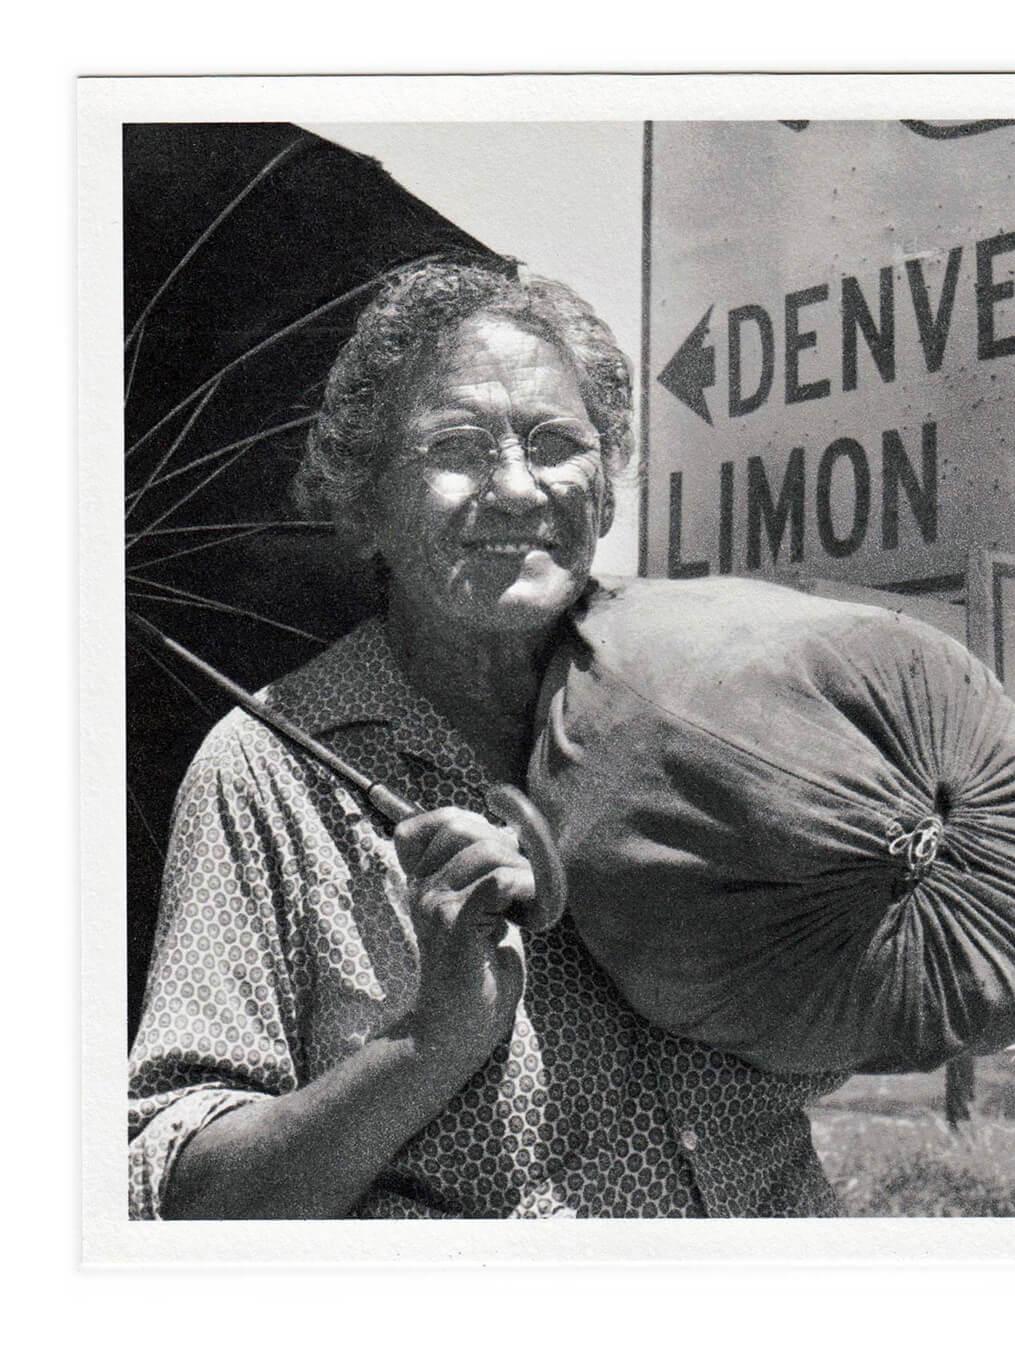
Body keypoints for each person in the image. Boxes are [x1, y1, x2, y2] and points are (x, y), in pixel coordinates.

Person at [128, 254, 848, 1219]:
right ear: (366, 501)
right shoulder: (266, 768)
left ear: (607, 478)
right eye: (458, 446)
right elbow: (181, 1199)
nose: (516, 488)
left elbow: (831, 1028)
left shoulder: (712, 696)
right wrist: (427, 1044)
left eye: (555, 440)